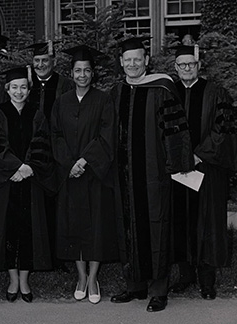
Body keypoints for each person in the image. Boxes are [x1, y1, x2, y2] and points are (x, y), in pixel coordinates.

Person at [109, 36, 193, 312]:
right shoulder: (117, 92)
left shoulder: (162, 89)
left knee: (156, 227)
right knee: (128, 227)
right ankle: (134, 285)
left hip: (154, 175)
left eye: (137, 59)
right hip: (125, 176)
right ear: (121, 63)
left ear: (147, 61)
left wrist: (177, 166)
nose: (133, 64)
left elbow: (176, 131)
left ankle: (159, 290)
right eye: (127, 60)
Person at [52, 45, 118, 304]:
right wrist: (69, 163)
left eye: (87, 71)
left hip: (94, 175)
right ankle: (80, 276)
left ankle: (93, 278)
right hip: (70, 174)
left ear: (93, 74)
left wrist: (84, 160)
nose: (82, 75)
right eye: (78, 70)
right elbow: (55, 135)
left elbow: (107, 135)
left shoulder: (103, 100)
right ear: (71, 73)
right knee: (74, 226)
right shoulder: (61, 102)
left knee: (96, 227)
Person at [168, 45, 236, 300]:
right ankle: (185, 276)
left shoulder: (216, 92)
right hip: (177, 171)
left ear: (199, 66)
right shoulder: (168, 93)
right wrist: (179, 158)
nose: (187, 68)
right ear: (175, 67)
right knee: (181, 221)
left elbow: (224, 128)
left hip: (207, 169)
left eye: (191, 64)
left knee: (207, 224)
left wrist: (198, 155)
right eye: (182, 65)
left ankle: (207, 281)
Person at [0, 67, 53, 303]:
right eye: (14, 87)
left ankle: (24, 280)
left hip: (30, 179)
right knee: (8, 229)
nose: (19, 91)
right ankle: (12, 279)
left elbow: (42, 144)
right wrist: (15, 168)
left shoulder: (38, 114)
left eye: (23, 87)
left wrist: (29, 167)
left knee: (28, 229)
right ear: (7, 89)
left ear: (28, 89)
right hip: (7, 181)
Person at [25, 40, 74, 273]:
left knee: (58, 206)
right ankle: (36, 255)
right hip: (33, 156)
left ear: (53, 62)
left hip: (56, 155)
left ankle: (60, 257)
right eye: (37, 61)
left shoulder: (64, 84)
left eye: (45, 60)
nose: (41, 64)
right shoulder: (26, 85)